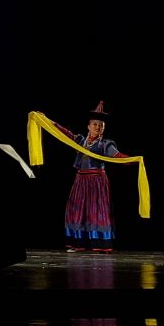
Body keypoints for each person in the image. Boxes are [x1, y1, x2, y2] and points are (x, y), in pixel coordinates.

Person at [56, 101, 129, 253]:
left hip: (97, 181)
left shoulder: (105, 144)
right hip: (80, 180)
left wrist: (131, 160)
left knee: (96, 211)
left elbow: (117, 155)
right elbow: (65, 134)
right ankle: (77, 243)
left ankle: (101, 244)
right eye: (95, 124)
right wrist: (51, 123)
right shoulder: (80, 141)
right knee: (76, 210)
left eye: (101, 125)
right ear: (88, 126)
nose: (98, 127)